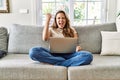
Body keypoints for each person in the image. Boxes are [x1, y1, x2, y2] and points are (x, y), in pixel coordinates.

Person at [29, 10, 93, 67]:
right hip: (53, 54)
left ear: (66, 20)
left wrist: (78, 48)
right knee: (33, 51)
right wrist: (47, 21)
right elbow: (44, 38)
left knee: (88, 55)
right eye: (58, 18)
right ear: (56, 20)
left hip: (70, 55)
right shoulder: (52, 29)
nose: (61, 20)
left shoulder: (71, 29)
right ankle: (66, 62)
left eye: (63, 18)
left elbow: (75, 44)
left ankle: (57, 63)